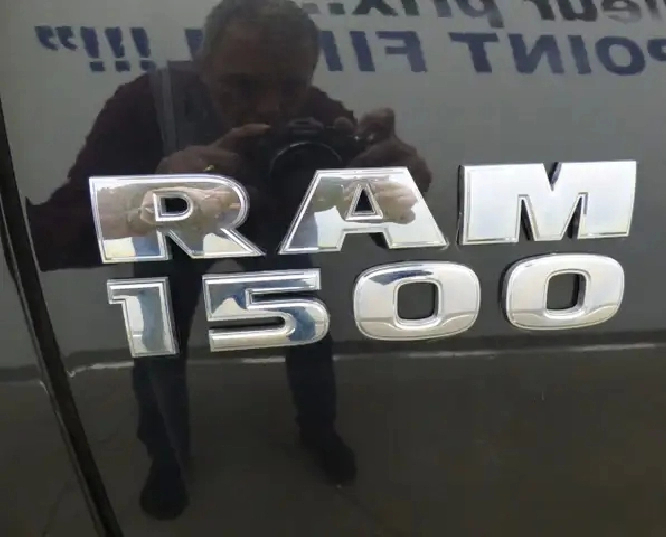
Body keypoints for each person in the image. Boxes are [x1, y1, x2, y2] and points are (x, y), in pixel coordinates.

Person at [27, 0, 432, 521]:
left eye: (290, 87)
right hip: (176, 236)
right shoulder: (143, 105)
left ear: (309, 76)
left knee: (304, 330)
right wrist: (153, 191)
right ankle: (168, 457)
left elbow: (376, 227)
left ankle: (317, 429)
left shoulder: (320, 112)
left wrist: (403, 190)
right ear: (201, 68)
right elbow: (51, 237)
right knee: (158, 348)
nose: (268, 108)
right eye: (240, 86)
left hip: (265, 230)